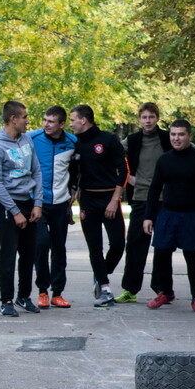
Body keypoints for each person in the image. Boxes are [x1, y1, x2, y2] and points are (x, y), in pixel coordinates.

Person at [143, 120, 195, 313]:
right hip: (167, 214)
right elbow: (154, 189)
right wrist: (148, 216)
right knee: (161, 255)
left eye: (181, 134)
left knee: (191, 257)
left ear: (189, 136)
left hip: (191, 215)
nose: (176, 138)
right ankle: (165, 292)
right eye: (173, 134)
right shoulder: (164, 160)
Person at [0, 101, 44, 317]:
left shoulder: (27, 140)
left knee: (29, 253)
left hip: (28, 202)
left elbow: (36, 172)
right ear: (13, 119)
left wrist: (37, 203)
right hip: (7, 205)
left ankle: (24, 296)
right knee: (9, 253)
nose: (27, 121)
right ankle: (6, 300)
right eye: (24, 117)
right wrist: (15, 212)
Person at [70, 104, 128, 307]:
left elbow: (124, 170)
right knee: (94, 246)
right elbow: (73, 173)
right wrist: (72, 196)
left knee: (118, 244)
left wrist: (114, 200)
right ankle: (104, 288)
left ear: (83, 120)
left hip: (109, 197)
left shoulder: (108, 140)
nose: (70, 124)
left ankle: (101, 272)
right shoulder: (74, 143)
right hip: (88, 200)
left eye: (73, 120)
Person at [116, 102, 172, 304]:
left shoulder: (168, 138)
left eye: (151, 117)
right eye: (144, 117)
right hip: (140, 197)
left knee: (163, 246)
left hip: (165, 199)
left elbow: (190, 153)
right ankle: (130, 289)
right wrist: (128, 177)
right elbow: (113, 157)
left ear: (157, 118)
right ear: (139, 119)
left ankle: (163, 289)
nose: (148, 121)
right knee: (135, 244)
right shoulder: (132, 141)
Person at [28, 105, 77, 309]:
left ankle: (57, 293)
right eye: (45, 120)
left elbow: (77, 169)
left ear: (62, 124)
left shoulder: (73, 142)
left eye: (51, 121)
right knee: (41, 244)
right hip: (37, 202)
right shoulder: (32, 138)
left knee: (59, 248)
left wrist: (75, 189)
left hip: (61, 203)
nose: (46, 125)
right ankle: (42, 291)